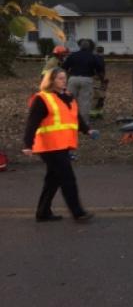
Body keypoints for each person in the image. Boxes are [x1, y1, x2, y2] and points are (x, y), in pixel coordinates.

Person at [22, 68, 97, 223]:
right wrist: (28, 144)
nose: (64, 81)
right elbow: (32, 123)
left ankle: (42, 213)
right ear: (51, 81)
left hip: (63, 145)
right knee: (67, 179)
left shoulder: (68, 97)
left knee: (53, 180)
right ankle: (78, 213)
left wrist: (87, 130)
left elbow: (75, 117)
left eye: (65, 78)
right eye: (60, 78)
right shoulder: (42, 99)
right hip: (49, 147)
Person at [62, 39, 104, 124]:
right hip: (86, 79)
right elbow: (99, 69)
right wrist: (102, 79)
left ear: (80, 46)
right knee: (84, 102)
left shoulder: (73, 55)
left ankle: (70, 120)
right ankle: (83, 123)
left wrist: (67, 77)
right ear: (89, 47)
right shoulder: (93, 56)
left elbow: (64, 67)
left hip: (73, 79)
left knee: (70, 100)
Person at [90, 46, 108, 120]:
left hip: (95, 79)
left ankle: (95, 113)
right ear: (102, 51)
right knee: (99, 97)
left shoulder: (93, 58)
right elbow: (100, 71)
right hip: (98, 80)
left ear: (96, 51)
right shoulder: (100, 59)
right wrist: (103, 80)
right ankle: (96, 113)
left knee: (97, 97)